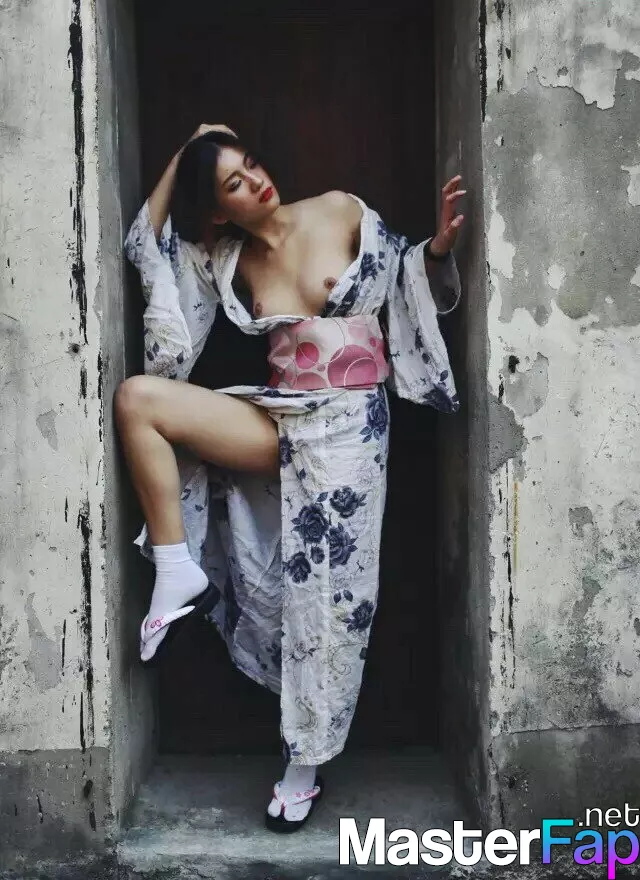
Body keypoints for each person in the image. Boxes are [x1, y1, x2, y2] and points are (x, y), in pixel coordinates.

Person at [116, 123, 466, 831]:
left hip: (349, 429)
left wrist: (435, 250)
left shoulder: (337, 208)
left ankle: (303, 764)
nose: (256, 180)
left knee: (329, 598)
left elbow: (403, 277)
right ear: (218, 212)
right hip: (283, 417)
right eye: (233, 183)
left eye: (250, 164)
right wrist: (187, 151)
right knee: (137, 401)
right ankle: (176, 569)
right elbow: (143, 245)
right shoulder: (224, 259)